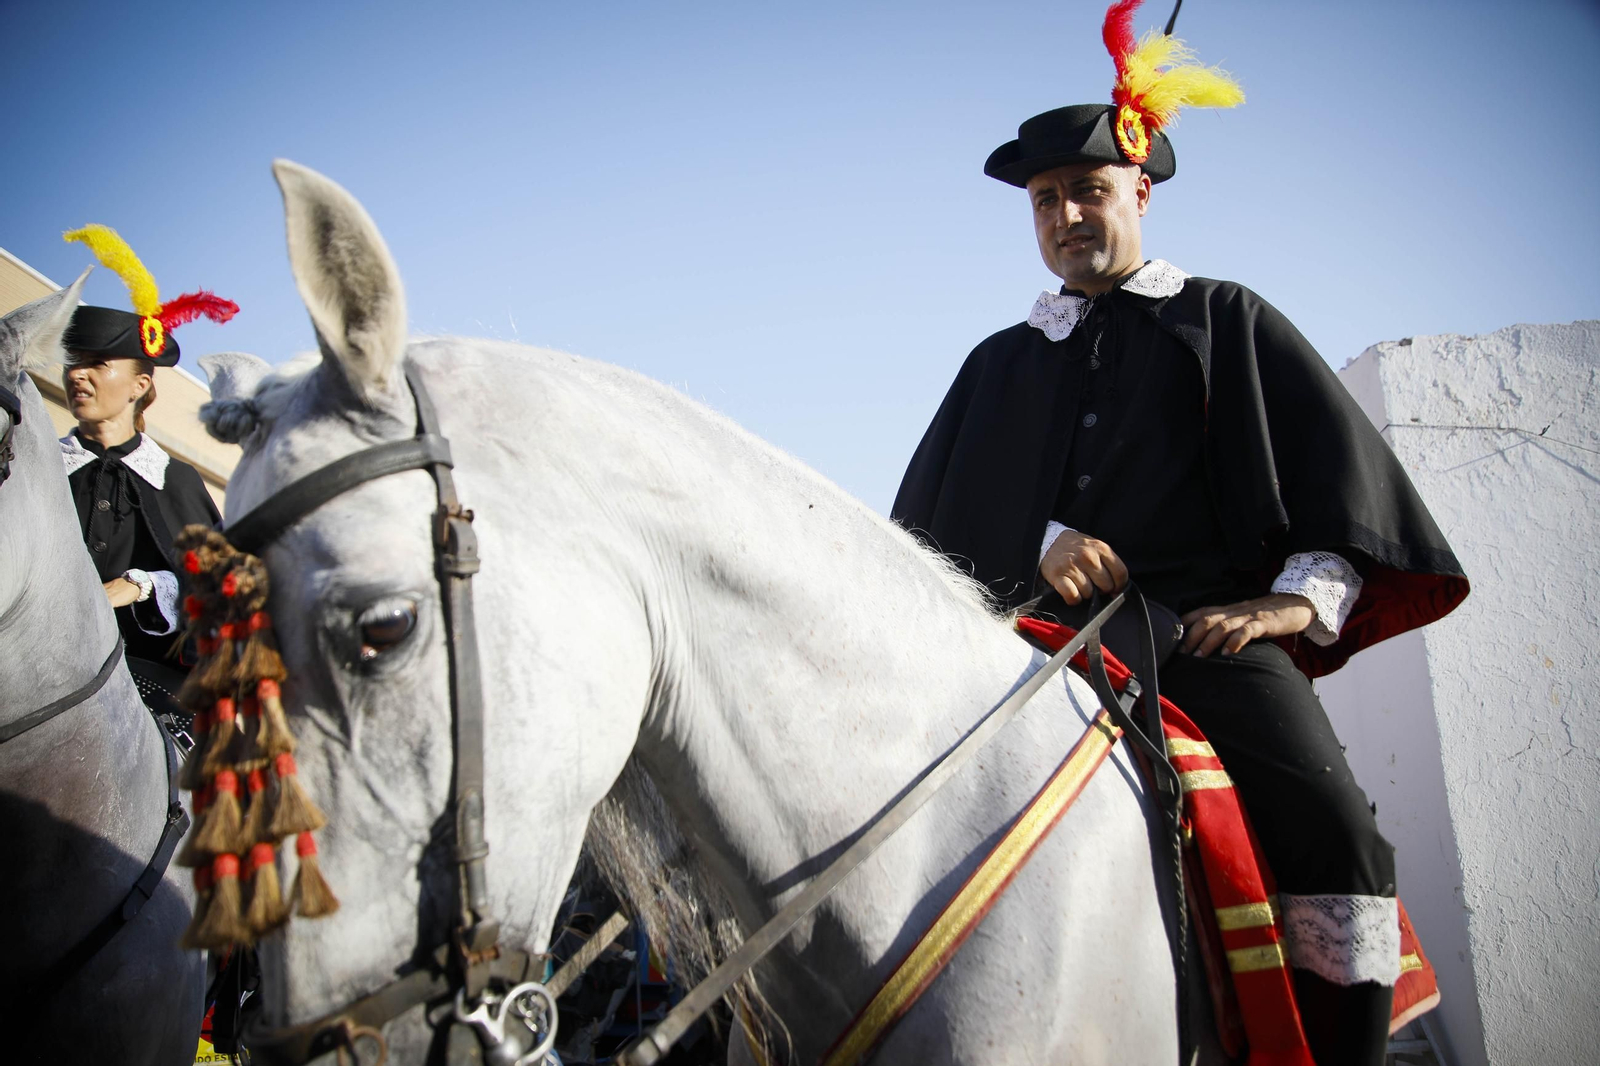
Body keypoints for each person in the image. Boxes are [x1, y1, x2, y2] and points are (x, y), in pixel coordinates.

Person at [890, 4, 1469, 1063]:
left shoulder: (1227, 319)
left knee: (1336, 825)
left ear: (1139, 193)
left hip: (1197, 640)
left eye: (1091, 190)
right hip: (1022, 637)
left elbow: (1336, 490)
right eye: (1048, 198)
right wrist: (1035, 549)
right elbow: (920, 535)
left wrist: (1286, 602)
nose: (1069, 212)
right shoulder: (993, 364)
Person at [57, 224, 238, 732]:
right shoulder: (39, 466)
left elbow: (219, 588)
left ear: (140, 384)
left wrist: (141, 587)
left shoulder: (175, 479)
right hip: (31, 672)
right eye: (73, 362)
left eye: (96, 364)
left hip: (149, 688)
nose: (76, 374)